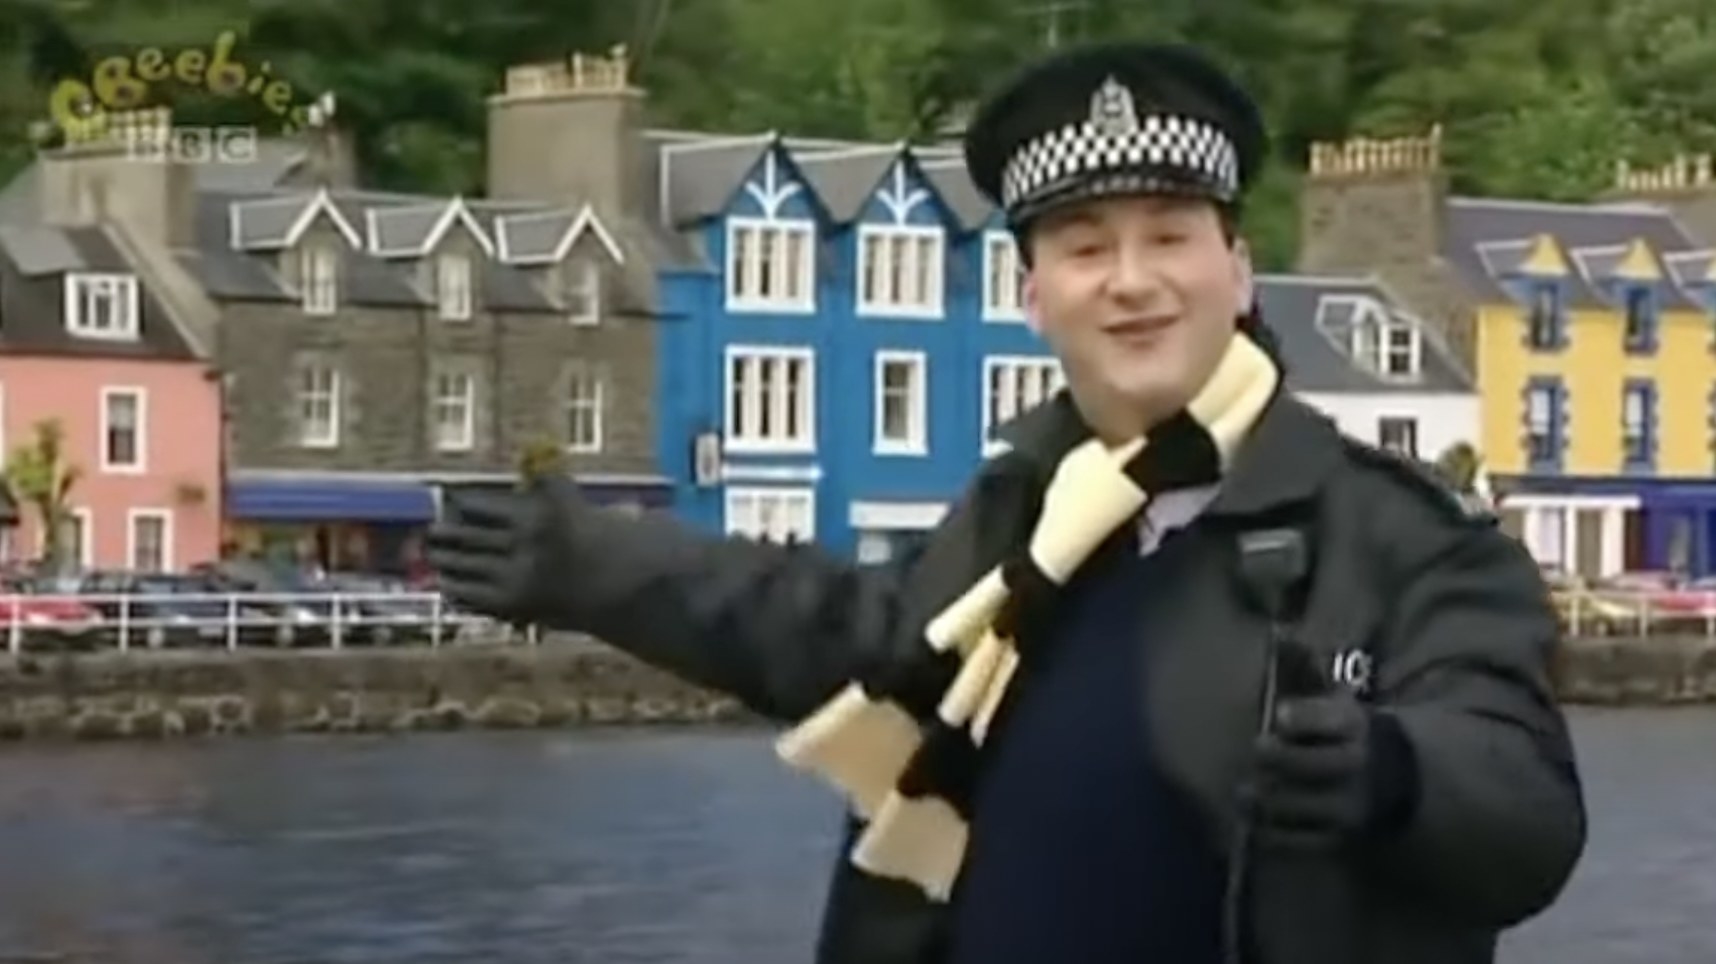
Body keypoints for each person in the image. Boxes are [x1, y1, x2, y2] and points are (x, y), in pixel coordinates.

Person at [427, 40, 1585, 964]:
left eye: (1170, 237)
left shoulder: (1408, 545)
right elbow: (842, 632)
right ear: (1034, 295)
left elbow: (1524, 811)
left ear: (1238, 270)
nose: (1132, 280)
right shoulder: (1022, 521)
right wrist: (593, 564)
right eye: (1085, 247)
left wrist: (1394, 773)